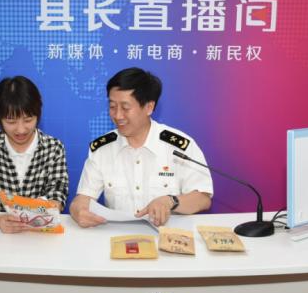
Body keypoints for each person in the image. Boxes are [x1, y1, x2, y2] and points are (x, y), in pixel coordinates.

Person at [70, 67, 213, 227]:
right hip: (118, 236)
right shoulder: (102, 149)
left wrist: (170, 201)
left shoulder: (179, 147)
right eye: (112, 106)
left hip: (168, 235)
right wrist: (78, 210)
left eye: (125, 108)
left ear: (149, 107)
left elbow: (203, 198)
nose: (117, 115)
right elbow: (83, 199)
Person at [0, 76, 69, 233]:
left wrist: (45, 209)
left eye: (28, 120)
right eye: (11, 122)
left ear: (38, 115)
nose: (20, 130)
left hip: (37, 239)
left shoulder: (54, 148)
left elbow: (57, 197)